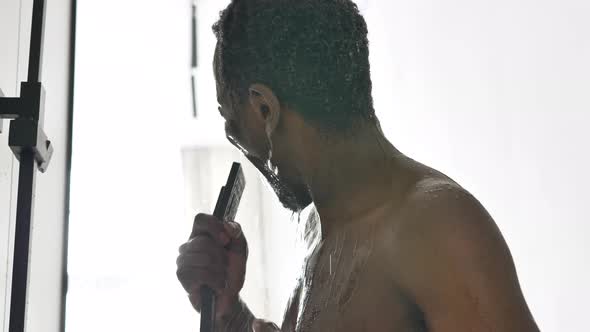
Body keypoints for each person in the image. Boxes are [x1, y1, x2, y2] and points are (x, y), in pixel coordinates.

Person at [176, 0, 540, 331]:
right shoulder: (318, 230)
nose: (236, 141)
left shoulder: (438, 229)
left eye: (232, 123)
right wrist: (229, 313)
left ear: (264, 109)